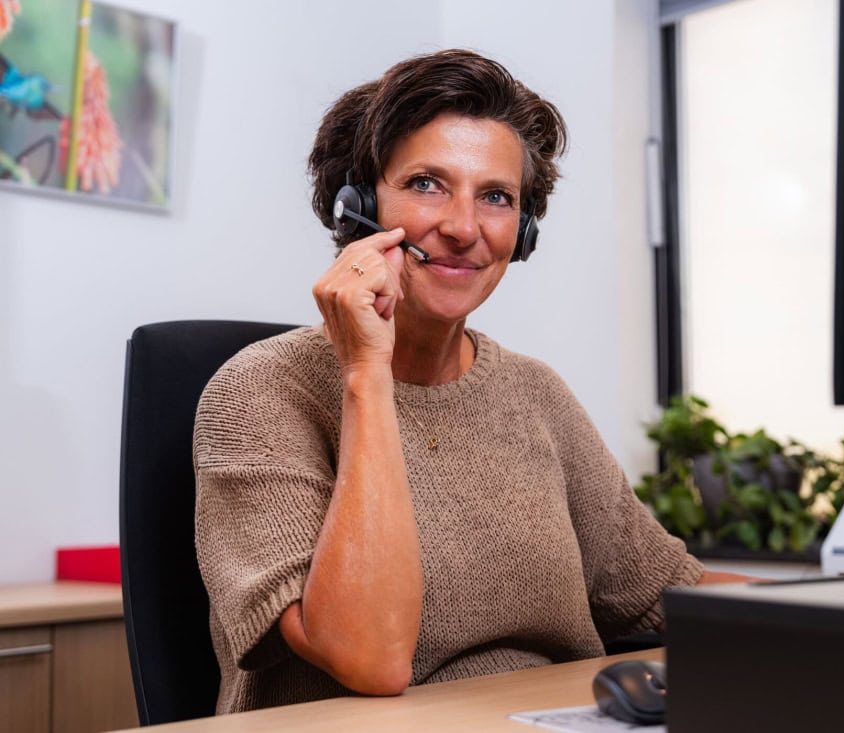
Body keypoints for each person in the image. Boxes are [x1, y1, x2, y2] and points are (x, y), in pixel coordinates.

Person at [193, 48, 742, 716]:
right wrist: (367, 373)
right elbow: (370, 657)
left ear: (524, 229)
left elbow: (664, 588)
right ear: (356, 205)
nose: (462, 228)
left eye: (496, 197)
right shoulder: (258, 392)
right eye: (427, 183)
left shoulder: (535, 393)